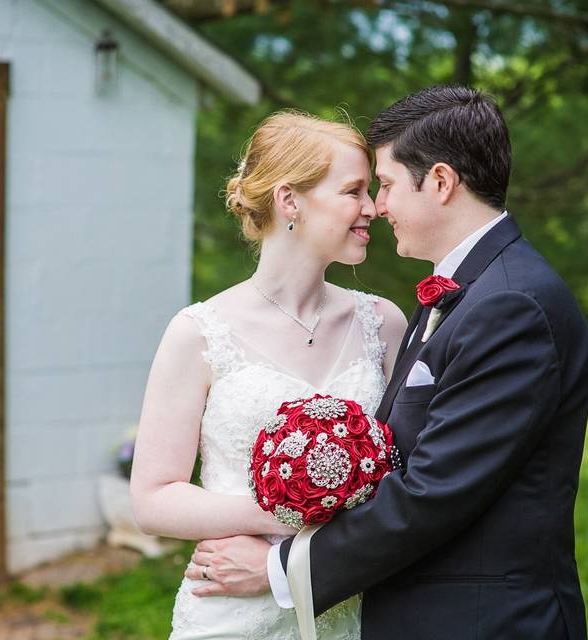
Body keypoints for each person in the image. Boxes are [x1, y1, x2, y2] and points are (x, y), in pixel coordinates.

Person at [191, 86, 588, 640]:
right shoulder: (468, 292)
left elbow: (435, 490)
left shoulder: (509, 304)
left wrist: (276, 567)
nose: (377, 208)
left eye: (384, 185)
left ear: (442, 182)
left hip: (486, 624)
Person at [129, 110, 408, 640]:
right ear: (290, 201)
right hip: (233, 611)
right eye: (354, 191)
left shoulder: (383, 323)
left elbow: (405, 473)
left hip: (353, 606)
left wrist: (317, 537)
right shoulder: (199, 333)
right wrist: (278, 516)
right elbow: (153, 499)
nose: (373, 208)